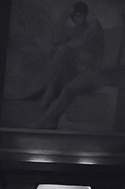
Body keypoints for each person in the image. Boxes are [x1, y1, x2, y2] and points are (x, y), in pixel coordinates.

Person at [37, 1, 105, 130]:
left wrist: (64, 47)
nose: (77, 19)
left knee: (67, 89)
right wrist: (54, 48)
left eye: (80, 16)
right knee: (60, 53)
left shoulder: (94, 25)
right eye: (74, 16)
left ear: (85, 16)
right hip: (75, 72)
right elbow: (60, 47)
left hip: (91, 73)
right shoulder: (71, 32)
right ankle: (49, 91)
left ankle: (44, 121)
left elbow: (83, 40)